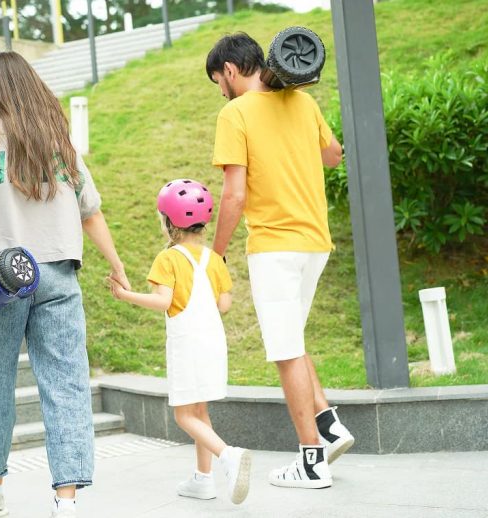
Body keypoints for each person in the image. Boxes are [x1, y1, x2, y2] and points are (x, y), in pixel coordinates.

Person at [0, 51, 130, 518]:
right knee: (65, 384)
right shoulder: (56, 136)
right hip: (58, 273)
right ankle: (67, 502)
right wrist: (117, 263)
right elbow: (91, 211)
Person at [205, 32, 355, 489]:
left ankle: (311, 462)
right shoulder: (303, 104)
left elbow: (233, 194)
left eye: (218, 82)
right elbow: (334, 156)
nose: (221, 91)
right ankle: (329, 426)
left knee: (285, 350)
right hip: (315, 243)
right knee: (291, 338)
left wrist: (216, 255)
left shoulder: (235, 113)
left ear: (230, 71)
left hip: (275, 246)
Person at [107, 179, 251, 505]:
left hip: (187, 343)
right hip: (214, 341)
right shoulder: (214, 258)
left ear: (169, 222)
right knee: (200, 411)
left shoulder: (168, 258)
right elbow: (225, 304)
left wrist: (125, 294)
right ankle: (203, 479)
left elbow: (163, 301)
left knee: (184, 416)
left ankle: (228, 455)